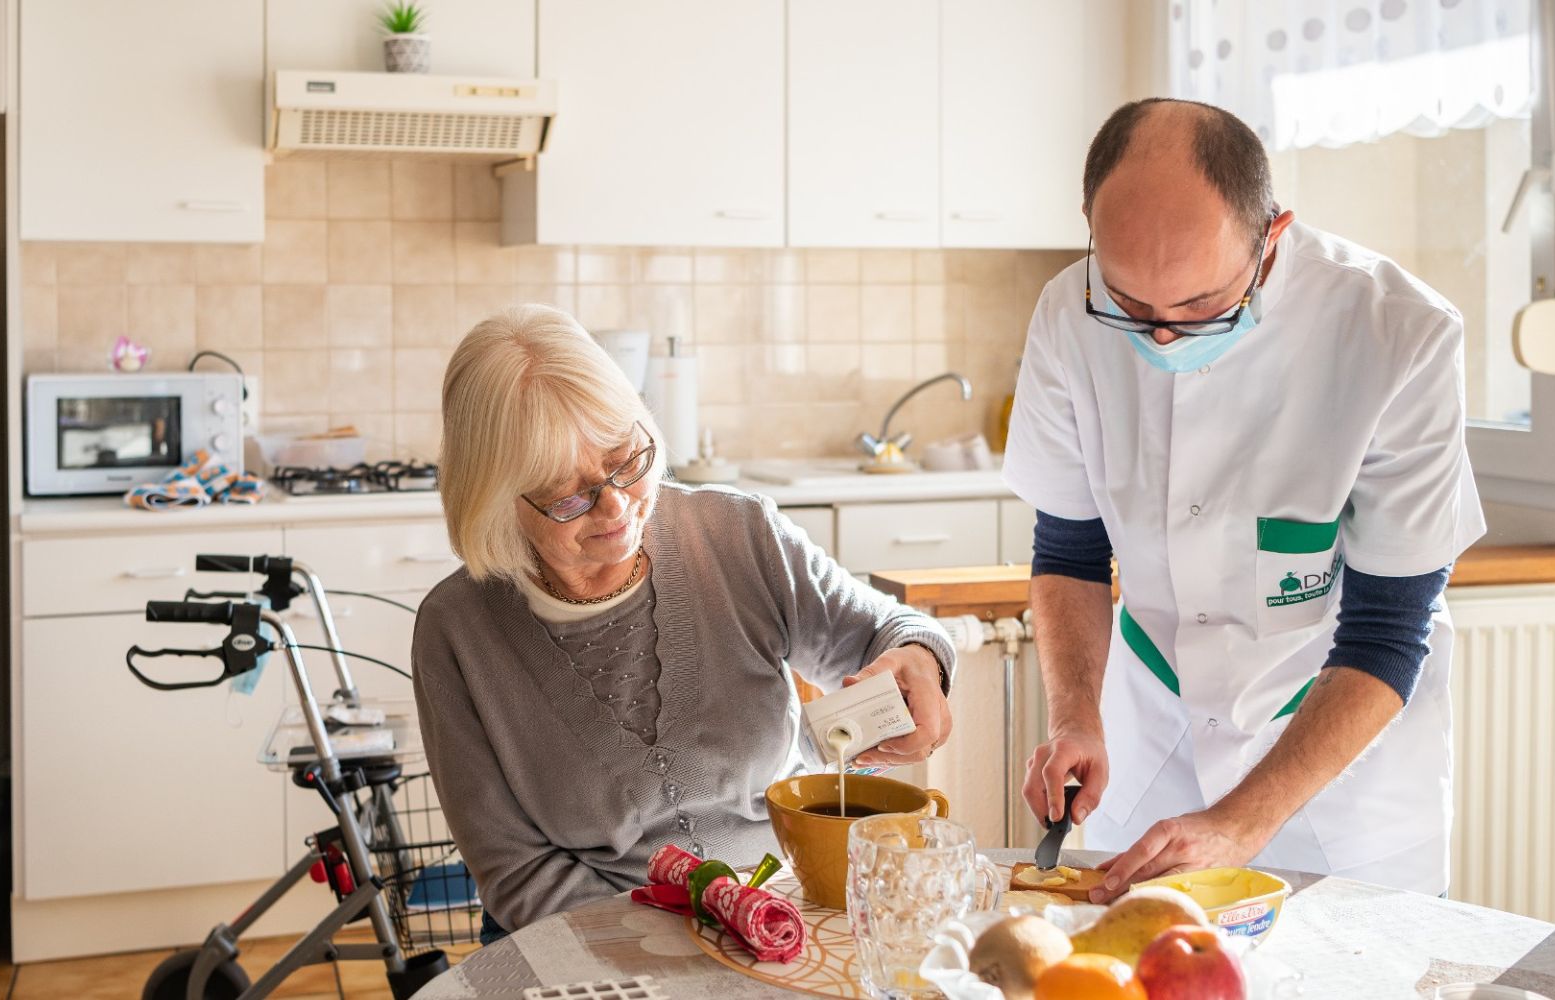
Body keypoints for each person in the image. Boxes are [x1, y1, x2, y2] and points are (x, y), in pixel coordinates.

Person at [1006, 98, 1484, 899]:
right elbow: (1069, 549)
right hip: (1154, 725)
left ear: (1272, 236)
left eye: (1200, 305)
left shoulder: (1398, 334)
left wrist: (1240, 823)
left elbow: (1388, 629)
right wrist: (1075, 718)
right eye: (1129, 306)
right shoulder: (1066, 313)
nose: (1162, 336)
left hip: (1342, 770)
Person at [413, 304, 957, 940]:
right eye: (569, 494)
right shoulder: (458, 631)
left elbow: (889, 631)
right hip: (589, 939)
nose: (615, 507)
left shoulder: (738, 534)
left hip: (783, 912)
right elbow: (518, 872)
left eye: (626, 461)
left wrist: (920, 658)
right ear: (495, 500)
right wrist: (692, 943)